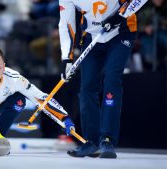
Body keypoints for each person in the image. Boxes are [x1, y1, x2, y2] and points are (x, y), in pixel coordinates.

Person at [59, 0, 148, 158]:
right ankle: (91, 141)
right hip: (91, 37)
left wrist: (121, 15)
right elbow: (66, 23)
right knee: (87, 88)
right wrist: (66, 59)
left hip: (121, 31)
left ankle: (107, 140)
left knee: (111, 80)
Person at [0, 47, 75, 141]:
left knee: (19, 100)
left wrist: (64, 118)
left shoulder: (14, 78)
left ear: (4, 67)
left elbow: (40, 98)